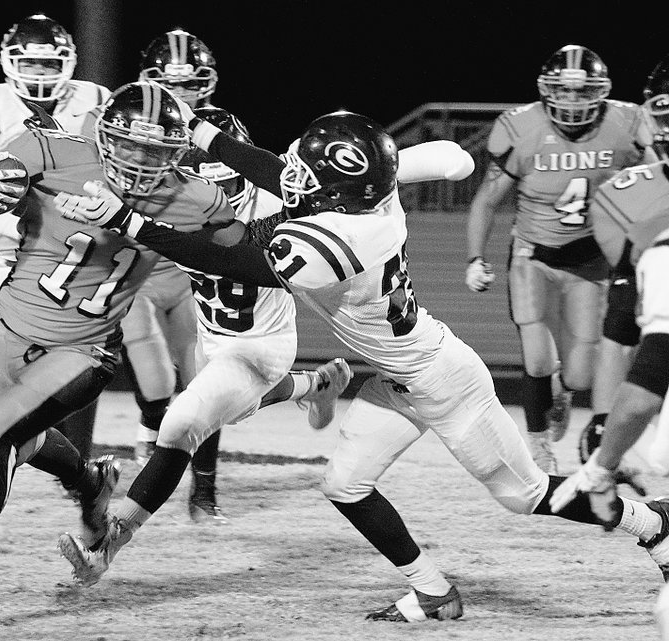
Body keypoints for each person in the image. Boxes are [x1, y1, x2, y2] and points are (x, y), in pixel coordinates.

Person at [55, 104, 669, 621]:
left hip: (441, 378)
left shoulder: (329, 243)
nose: (290, 175)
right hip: (400, 375)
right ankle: (434, 592)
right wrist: (205, 133)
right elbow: (297, 176)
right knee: (345, 484)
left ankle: (653, 526)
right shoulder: (366, 197)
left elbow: (234, 259)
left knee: (522, 496)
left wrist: (125, 220)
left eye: (306, 173)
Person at [0, 80, 229, 627]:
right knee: (27, 439)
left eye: (155, 150)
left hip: (85, 350)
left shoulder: (198, 200)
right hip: (6, 333)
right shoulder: (47, 151)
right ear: (103, 133)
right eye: (129, 144)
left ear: (178, 153)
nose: (139, 162)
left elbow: (250, 254)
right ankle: (90, 483)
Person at [54, 93, 353, 579]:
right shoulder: (175, 195)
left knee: (182, 423)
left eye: (229, 179)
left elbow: (231, 248)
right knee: (234, 407)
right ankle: (317, 386)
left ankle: (108, 544)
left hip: (262, 343)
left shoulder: (280, 206)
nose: (219, 193)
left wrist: (128, 220)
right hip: (213, 334)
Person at [464, 44, 650, 475]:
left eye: (581, 92)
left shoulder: (625, 124)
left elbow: (659, 179)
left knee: (582, 375)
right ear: (547, 92)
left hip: (592, 260)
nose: (571, 102)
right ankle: (537, 442)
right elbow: (487, 199)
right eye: (562, 93)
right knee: (538, 359)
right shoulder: (522, 127)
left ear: (599, 92)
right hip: (534, 254)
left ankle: (562, 395)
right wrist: (475, 257)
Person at [0, 12, 111, 461]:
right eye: (31, 64)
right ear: (8, 61)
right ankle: (66, 461)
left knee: (79, 353)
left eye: (49, 64)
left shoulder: (96, 99)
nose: (39, 75)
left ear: (69, 63)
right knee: (24, 362)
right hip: (8, 251)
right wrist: (24, 225)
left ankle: (78, 457)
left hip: (80, 249)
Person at [549, 50, 669, 573]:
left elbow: (636, 364)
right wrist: (602, 421)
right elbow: (623, 325)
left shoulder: (637, 208)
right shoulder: (631, 197)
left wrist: (603, 459)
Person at [115, 27, 223, 522]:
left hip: (191, 277)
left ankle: (204, 492)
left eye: (189, 82)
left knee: (205, 385)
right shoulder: (133, 123)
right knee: (159, 387)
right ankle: (151, 422)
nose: (180, 93)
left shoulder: (220, 130)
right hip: (137, 273)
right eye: (169, 83)